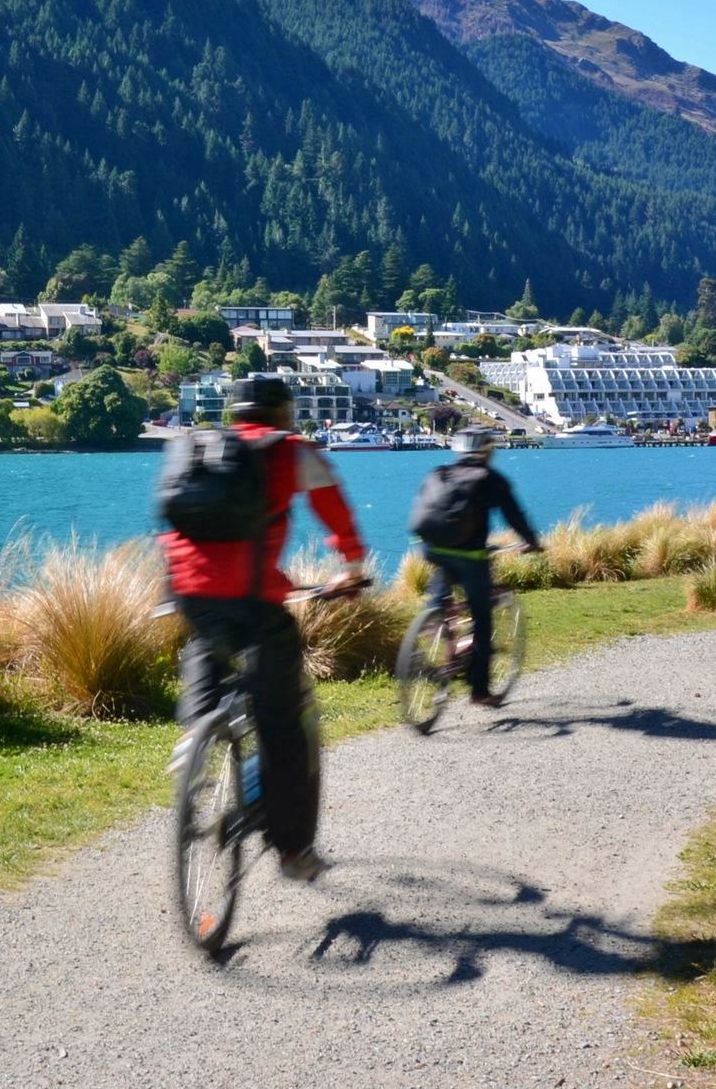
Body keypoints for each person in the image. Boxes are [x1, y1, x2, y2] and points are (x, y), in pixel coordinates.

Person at [158, 374, 365, 883]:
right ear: (284, 412)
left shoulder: (201, 445)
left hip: (188, 587)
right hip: (254, 597)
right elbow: (335, 512)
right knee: (283, 723)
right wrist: (352, 569)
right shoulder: (290, 450)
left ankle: (196, 733)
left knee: (206, 642)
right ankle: (294, 851)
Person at [409, 432, 541, 708]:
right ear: (488, 452)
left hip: (430, 548)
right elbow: (513, 515)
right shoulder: (491, 479)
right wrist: (531, 542)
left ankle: (435, 625)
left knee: (442, 592)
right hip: (470, 555)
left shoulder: (440, 474)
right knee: (482, 618)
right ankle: (479, 690)